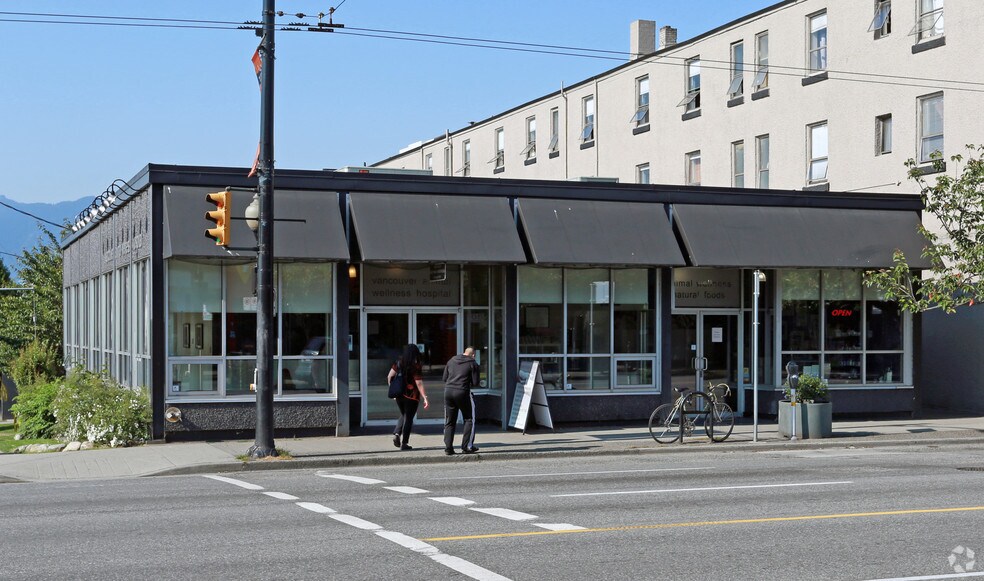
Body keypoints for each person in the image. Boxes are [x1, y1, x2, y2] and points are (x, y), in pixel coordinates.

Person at [388, 344, 429, 451]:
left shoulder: (398, 362)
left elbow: (390, 376)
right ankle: (404, 443)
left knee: (404, 414)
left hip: (399, 394)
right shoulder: (416, 365)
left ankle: (397, 433)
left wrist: (393, 389)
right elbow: (419, 383)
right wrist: (424, 397)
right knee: (409, 418)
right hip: (412, 396)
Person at [442, 346, 480, 455]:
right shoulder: (472, 363)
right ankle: (467, 446)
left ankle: (448, 448)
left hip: (448, 392)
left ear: (464, 352)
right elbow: (475, 382)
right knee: (469, 419)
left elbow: (445, 378)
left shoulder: (451, 360)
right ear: (473, 355)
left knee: (449, 421)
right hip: (463, 392)